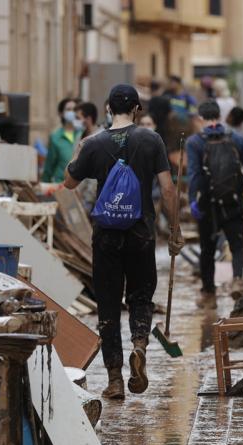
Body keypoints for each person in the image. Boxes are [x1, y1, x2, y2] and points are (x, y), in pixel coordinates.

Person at [65, 84, 183, 400]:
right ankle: (140, 345)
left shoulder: (94, 143)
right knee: (141, 297)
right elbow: (168, 190)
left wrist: (78, 151)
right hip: (141, 233)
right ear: (136, 109)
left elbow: (69, 182)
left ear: (107, 108)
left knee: (107, 306)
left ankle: (115, 380)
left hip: (106, 236)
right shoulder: (151, 140)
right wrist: (175, 228)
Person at [186, 100, 243, 296]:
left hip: (208, 205)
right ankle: (238, 281)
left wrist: (192, 201)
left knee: (208, 249)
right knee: (237, 246)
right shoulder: (237, 139)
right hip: (233, 202)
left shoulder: (194, 142)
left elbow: (194, 175)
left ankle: (208, 292)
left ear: (200, 119)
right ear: (220, 117)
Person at [42, 98, 80, 183]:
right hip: (60, 184)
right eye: (68, 109)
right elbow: (49, 165)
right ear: (61, 113)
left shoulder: (82, 134)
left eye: (74, 109)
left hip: (79, 185)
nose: (72, 112)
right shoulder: (55, 137)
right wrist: (44, 184)